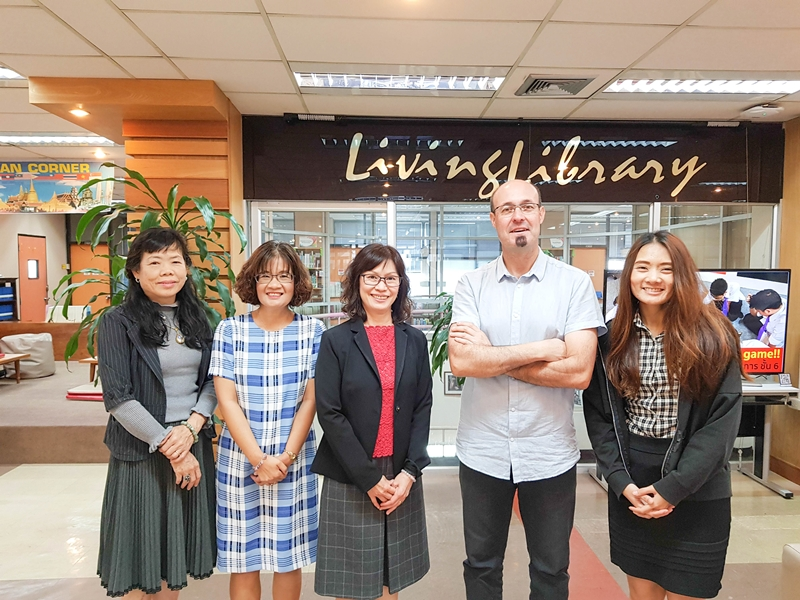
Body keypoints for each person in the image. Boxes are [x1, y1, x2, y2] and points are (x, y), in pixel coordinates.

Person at [448, 179, 605, 600]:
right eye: (506, 208)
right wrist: (543, 349)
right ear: (494, 220)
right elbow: (463, 361)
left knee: (552, 570)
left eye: (526, 206)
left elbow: (578, 372)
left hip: (549, 452)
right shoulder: (471, 285)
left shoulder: (573, 284)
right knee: (481, 566)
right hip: (483, 451)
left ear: (540, 215)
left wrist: (495, 358)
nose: (518, 215)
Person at [583, 231, 744, 600]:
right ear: (629, 275)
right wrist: (621, 483)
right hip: (633, 490)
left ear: (682, 275)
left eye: (666, 269)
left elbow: (721, 426)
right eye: (643, 267)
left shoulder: (715, 335)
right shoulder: (611, 339)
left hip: (698, 491)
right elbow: (600, 419)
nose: (652, 277)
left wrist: (672, 490)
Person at [97, 227, 217, 599]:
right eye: (155, 262)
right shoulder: (118, 321)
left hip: (190, 443)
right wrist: (170, 445)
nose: (167, 271)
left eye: (175, 261)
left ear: (186, 270)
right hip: (143, 452)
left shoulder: (199, 318)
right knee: (142, 561)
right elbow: (118, 398)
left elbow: (214, 382)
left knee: (172, 560)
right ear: (135, 271)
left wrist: (192, 429)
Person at [312, 243, 433, 600]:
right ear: (357, 282)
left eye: (390, 278)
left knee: (389, 579)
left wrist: (411, 472)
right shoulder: (335, 340)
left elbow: (422, 406)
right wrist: (368, 479)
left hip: (399, 475)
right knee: (349, 583)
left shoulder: (414, 339)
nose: (381, 286)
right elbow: (329, 412)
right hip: (352, 473)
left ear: (401, 285)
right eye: (372, 277)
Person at [209, 241, 324, 600]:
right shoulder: (230, 330)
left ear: (297, 283)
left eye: (285, 276)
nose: (275, 284)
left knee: (288, 559)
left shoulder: (313, 331)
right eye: (266, 276)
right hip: (240, 460)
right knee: (243, 558)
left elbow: (311, 400)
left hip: (294, 460)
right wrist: (259, 459)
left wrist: (284, 459)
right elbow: (226, 401)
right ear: (253, 282)